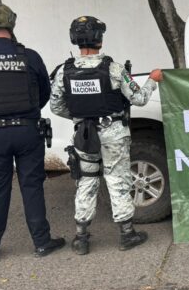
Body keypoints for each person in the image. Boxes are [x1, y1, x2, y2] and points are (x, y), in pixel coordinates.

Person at [0, 3, 65, 262]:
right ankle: (42, 243)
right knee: (32, 186)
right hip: (28, 131)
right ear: (11, 24)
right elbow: (44, 94)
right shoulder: (30, 57)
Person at [50, 16, 163, 255]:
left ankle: (81, 238)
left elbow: (56, 106)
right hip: (113, 135)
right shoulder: (114, 69)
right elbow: (139, 99)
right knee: (117, 180)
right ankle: (127, 234)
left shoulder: (63, 72)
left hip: (84, 135)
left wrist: (81, 118)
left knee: (86, 181)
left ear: (75, 39)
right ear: (99, 39)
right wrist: (152, 80)